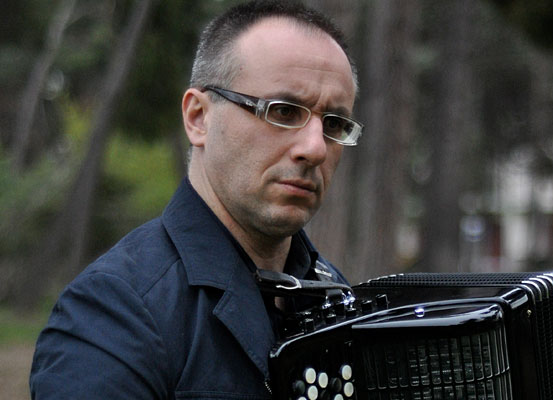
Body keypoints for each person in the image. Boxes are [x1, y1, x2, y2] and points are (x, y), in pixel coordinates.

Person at [29, 1, 363, 398]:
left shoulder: (335, 295)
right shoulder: (114, 313)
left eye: (334, 124)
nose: (315, 148)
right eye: (284, 111)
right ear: (198, 118)